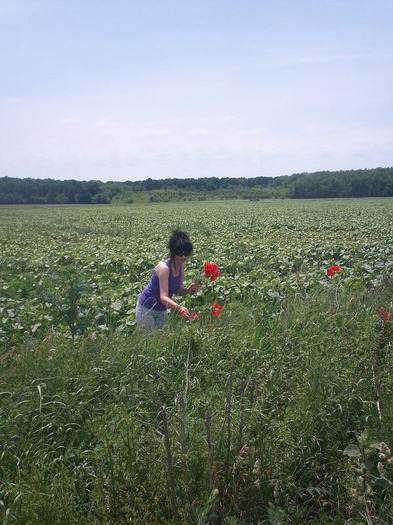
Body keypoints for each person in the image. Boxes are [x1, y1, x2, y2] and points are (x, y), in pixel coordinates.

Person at [136, 230, 198, 330]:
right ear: (173, 252)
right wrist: (180, 308)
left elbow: (177, 289)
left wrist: (188, 290)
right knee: (149, 341)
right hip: (147, 309)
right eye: (180, 253)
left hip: (161, 309)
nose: (183, 256)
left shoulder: (181, 265)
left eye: (186, 253)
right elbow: (163, 298)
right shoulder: (164, 268)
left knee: (161, 338)